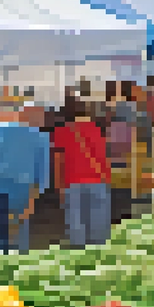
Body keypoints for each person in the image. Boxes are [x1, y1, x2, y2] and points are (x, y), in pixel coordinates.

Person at [0, 103, 50, 254]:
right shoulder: (41, 137)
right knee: (18, 232)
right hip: (21, 189)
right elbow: (41, 174)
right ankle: (16, 267)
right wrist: (32, 201)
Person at [52, 99, 113, 248]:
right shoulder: (96, 129)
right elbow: (103, 156)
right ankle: (99, 258)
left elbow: (58, 161)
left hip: (72, 181)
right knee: (99, 225)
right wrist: (108, 178)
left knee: (76, 223)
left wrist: (58, 185)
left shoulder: (61, 132)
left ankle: (79, 258)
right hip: (98, 180)